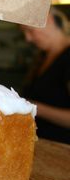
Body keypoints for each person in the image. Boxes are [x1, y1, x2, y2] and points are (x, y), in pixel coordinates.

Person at [21, 8, 70, 144]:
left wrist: (34, 107)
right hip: (41, 145)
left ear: (48, 20)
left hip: (62, 151)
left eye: (30, 31)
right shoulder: (42, 57)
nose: (28, 38)